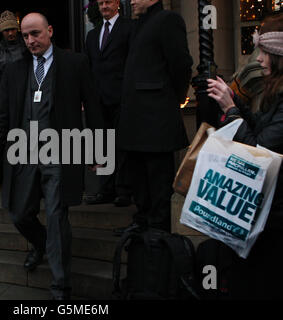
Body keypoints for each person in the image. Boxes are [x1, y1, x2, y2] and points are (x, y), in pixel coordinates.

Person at [0, 13, 104, 300]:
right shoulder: (14, 70)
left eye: (35, 34)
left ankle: (60, 287)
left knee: (56, 216)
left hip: (60, 152)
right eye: (26, 36)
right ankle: (41, 244)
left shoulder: (74, 63)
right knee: (18, 213)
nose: (30, 41)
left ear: (49, 31)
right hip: (22, 151)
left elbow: (94, 106)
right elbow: (2, 116)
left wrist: (96, 149)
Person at [207, 14, 283, 298]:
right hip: (267, 214)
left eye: (264, 52)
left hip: (275, 219)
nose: (258, 59)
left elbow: (260, 152)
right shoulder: (274, 93)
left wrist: (231, 110)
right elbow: (261, 125)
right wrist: (234, 99)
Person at [115, 0, 193, 234]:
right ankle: (142, 221)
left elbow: (181, 65)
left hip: (156, 118)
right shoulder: (139, 25)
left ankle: (158, 231)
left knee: (158, 180)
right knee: (139, 178)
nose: (131, 1)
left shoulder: (168, 20)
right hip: (136, 119)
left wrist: (174, 99)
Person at [84, 0, 133, 207]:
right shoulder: (92, 35)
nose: (104, 7)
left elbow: (132, 62)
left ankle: (123, 191)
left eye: (108, 2)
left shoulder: (129, 28)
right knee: (103, 145)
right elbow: (88, 68)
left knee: (122, 145)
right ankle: (106, 189)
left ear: (117, 4)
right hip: (99, 100)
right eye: (101, 3)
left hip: (122, 98)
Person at [0, 10, 27, 108]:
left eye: (13, 29)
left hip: (25, 95)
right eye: (6, 30)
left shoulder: (26, 46)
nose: (10, 33)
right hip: (4, 97)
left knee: (33, 121)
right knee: (6, 122)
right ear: (2, 31)